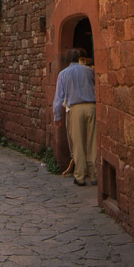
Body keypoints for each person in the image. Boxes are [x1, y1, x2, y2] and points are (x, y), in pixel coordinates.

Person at [52, 48, 97, 186]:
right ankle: (95, 174)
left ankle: (80, 175)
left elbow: (58, 98)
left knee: (78, 143)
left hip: (75, 109)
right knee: (92, 142)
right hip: (91, 106)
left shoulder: (63, 74)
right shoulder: (89, 71)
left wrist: (57, 116)